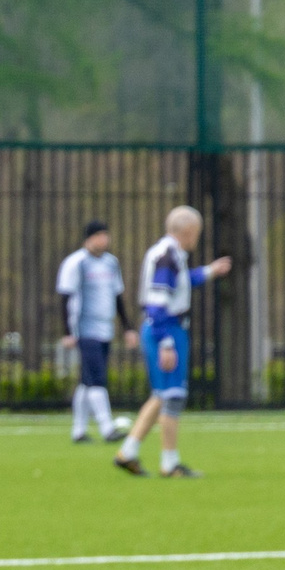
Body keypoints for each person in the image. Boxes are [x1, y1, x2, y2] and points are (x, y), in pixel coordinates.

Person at [115, 206, 231, 480]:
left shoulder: (168, 254)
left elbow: (180, 285)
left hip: (161, 328)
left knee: (160, 396)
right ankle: (170, 463)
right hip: (165, 329)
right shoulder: (167, 257)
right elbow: (157, 303)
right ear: (189, 232)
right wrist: (166, 342)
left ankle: (127, 452)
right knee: (172, 397)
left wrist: (209, 272)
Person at [55, 220, 130, 445]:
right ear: (88, 238)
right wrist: (67, 332)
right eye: (99, 235)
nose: (104, 240)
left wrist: (128, 327)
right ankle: (107, 428)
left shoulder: (111, 263)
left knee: (86, 382)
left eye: (105, 235)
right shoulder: (75, 263)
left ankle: (78, 431)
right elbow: (65, 298)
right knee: (97, 378)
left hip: (105, 328)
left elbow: (118, 296)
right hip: (83, 329)